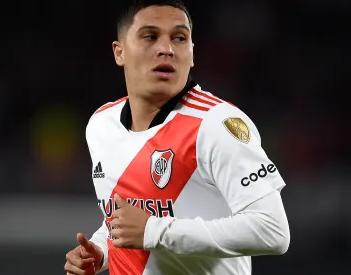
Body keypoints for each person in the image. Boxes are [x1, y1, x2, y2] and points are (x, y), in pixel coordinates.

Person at [64, 0, 290, 274]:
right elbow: (125, 220)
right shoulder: (101, 125)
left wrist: (155, 230)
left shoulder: (215, 124)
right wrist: (101, 251)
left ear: (192, 53)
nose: (167, 49)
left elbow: (273, 231)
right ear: (119, 52)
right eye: (150, 36)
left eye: (179, 38)